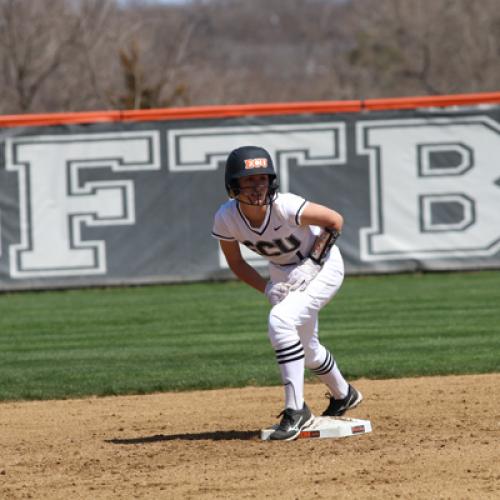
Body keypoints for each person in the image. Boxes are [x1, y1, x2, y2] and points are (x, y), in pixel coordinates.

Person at [211, 145, 363, 441]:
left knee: (280, 322)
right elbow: (236, 263)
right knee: (305, 348)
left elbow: (335, 221)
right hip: (282, 271)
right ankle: (344, 394)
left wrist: (313, 263)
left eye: (262, 179)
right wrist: (267, 287)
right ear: (233, 185)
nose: (257, 187)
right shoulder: (225, 218)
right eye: (249, 180)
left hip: (322, 265)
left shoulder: (286, 206)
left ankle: (296, 411)